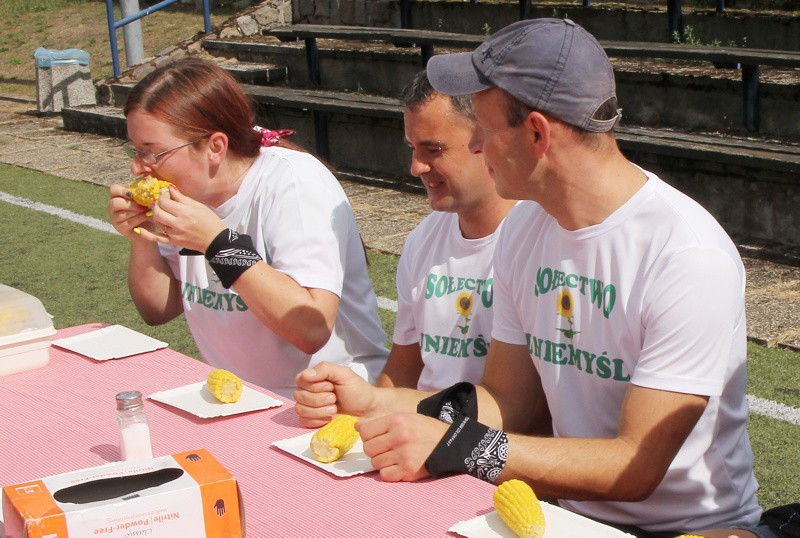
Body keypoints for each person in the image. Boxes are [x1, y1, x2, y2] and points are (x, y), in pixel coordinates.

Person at [294, 19, 770, 537]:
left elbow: (634, 465)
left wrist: (457, 445)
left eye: (483, 128)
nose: (474, 144)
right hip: (567, 516)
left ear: (538, 134)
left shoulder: (686, 255)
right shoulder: (525, 227)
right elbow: (507, 399)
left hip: (699, 527)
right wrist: (383, 401)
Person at [107, 58, 388, 398]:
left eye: (152, 153)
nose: (139, 168)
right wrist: (141, 234)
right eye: (135, 151)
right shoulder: (190, 194)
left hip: (330, 397)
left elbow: (312, 327)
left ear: (215, 147)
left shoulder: (294, 185)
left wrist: (217, 243)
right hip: (240, 396)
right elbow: (158, 309)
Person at [377, 70, 517, 391]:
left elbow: (524, 408)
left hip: (489, 436)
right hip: (425, 429)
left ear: (485, 140)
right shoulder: (423, 239)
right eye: (412, 148)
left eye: (433, 149)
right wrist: (364, 411)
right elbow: (403, 367)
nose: (416, 167)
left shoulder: (538, 241)